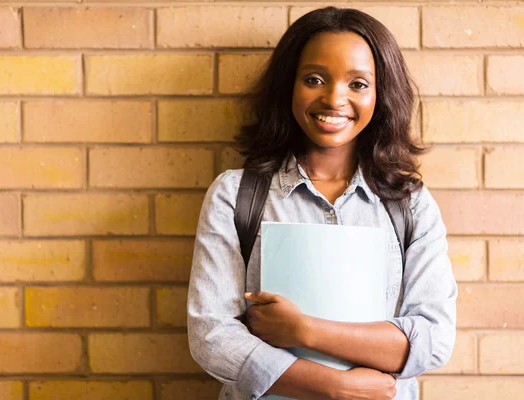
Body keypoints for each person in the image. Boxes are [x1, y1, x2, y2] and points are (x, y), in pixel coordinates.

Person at [187, 7, 457, 400]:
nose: (334, 99)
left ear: (382, 94)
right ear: (289, 86)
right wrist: (334, 386)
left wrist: (303, 330)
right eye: (314, 79)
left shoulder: (410, 205)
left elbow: (432, 339)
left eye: (358, 84)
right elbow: (211, 336)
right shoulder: (235, 196)